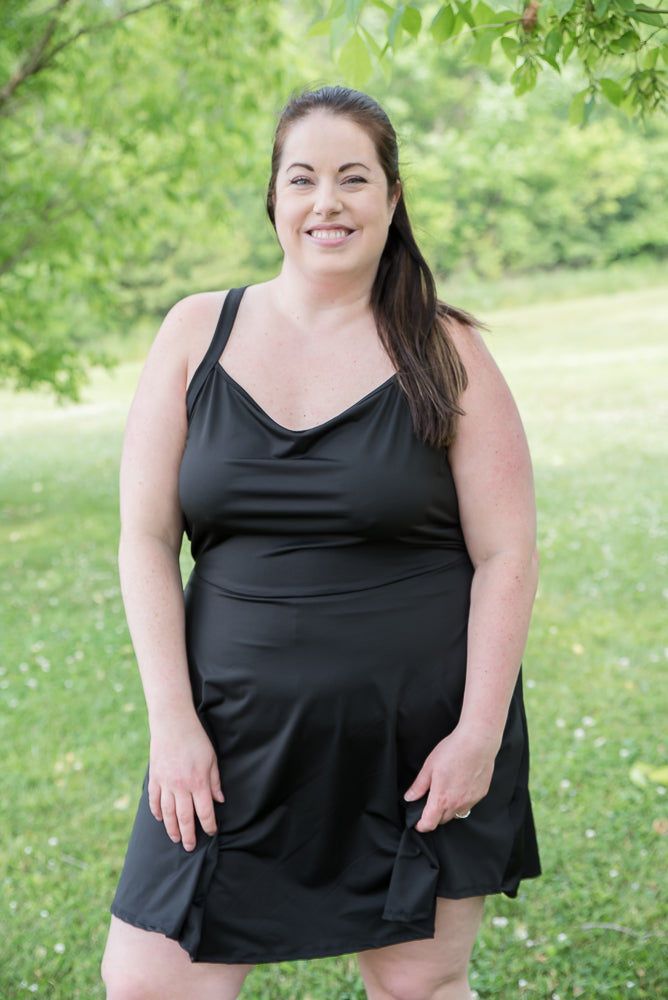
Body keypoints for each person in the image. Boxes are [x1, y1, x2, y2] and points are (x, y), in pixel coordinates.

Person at [101, 85, 541, 1000]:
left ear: (390, 197)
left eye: (354, 178)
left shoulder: (447, 348)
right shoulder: (195, 332)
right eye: (302, 178)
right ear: (274, 198)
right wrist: (171, 723)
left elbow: (507, 553)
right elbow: (144, 537)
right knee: (151, 982)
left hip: (419, 736)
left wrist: (479, 735)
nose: (326, 202)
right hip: (227, 734)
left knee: (417, 984)